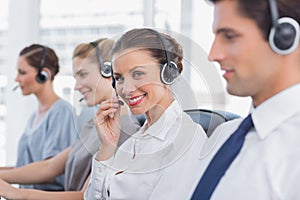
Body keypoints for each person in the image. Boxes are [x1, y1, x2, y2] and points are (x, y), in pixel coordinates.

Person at [0, 39, 140, 199]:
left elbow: (85, 196)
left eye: (83, 75)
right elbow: (50, 167)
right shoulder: (94, 125)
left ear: (109, 71)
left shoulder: (128, 132)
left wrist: (19, 194)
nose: (76, 86)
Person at [191, 0, 300, 199]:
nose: (213, 55)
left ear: (285, 36)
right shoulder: (224, 135)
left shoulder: (294, 152)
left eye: (230, 37)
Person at [84, 28, 207, 199]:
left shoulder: (186, 139)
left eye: (138, 74)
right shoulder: (136, 140)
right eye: (119, 78)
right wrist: (107, 147)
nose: (126, 89)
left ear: (168, 73)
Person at [2, 44, 78, 191]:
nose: (17, 79)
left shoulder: (61, 111)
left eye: (22, 72)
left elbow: (48, 171)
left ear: (44, 74)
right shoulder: (34, 117)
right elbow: (23, 169)